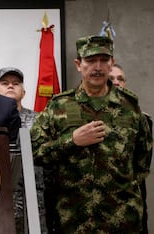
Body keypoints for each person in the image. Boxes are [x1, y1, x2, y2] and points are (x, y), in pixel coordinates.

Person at [30, 35, 152, 233]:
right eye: (90, 60)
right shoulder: (59, 105)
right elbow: (34, 153)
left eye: (104, 60)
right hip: (72, 221)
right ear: (78, 64)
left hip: (122, 221)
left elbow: (142, 162)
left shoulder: (130, 107)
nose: (98, 67)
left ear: (111, 63)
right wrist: (72, 141)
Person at [0, 67, 47, 233]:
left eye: (16, 83)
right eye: (5, 83)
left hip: (32, 195)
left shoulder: (39, 119)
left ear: (23, 92)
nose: (10, 86)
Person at [108, 63, 152, 234]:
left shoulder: (142, 120)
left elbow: (142, 166)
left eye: (120, 79)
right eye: (111, 78)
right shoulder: (89, 117)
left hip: (130, 204)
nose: (116, 82)